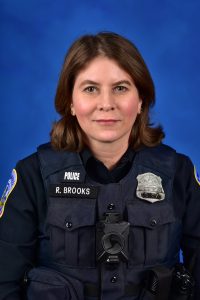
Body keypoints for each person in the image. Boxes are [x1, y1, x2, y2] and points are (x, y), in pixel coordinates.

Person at [0, 32, 199, 300]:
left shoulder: (179, 173)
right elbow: (5, 284)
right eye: (90, 88)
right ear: (71, 102)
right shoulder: (33, 176)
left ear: (140, 100)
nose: (106, 104)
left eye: (121, 88)